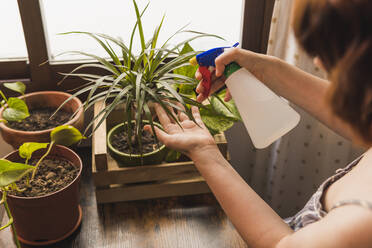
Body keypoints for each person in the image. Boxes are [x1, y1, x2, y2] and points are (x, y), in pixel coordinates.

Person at [145, 0, 372, 247]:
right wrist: (268, 70)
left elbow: (279, 244)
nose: (318, 63)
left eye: (332, 54)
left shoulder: (361, 222)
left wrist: (205, 152)